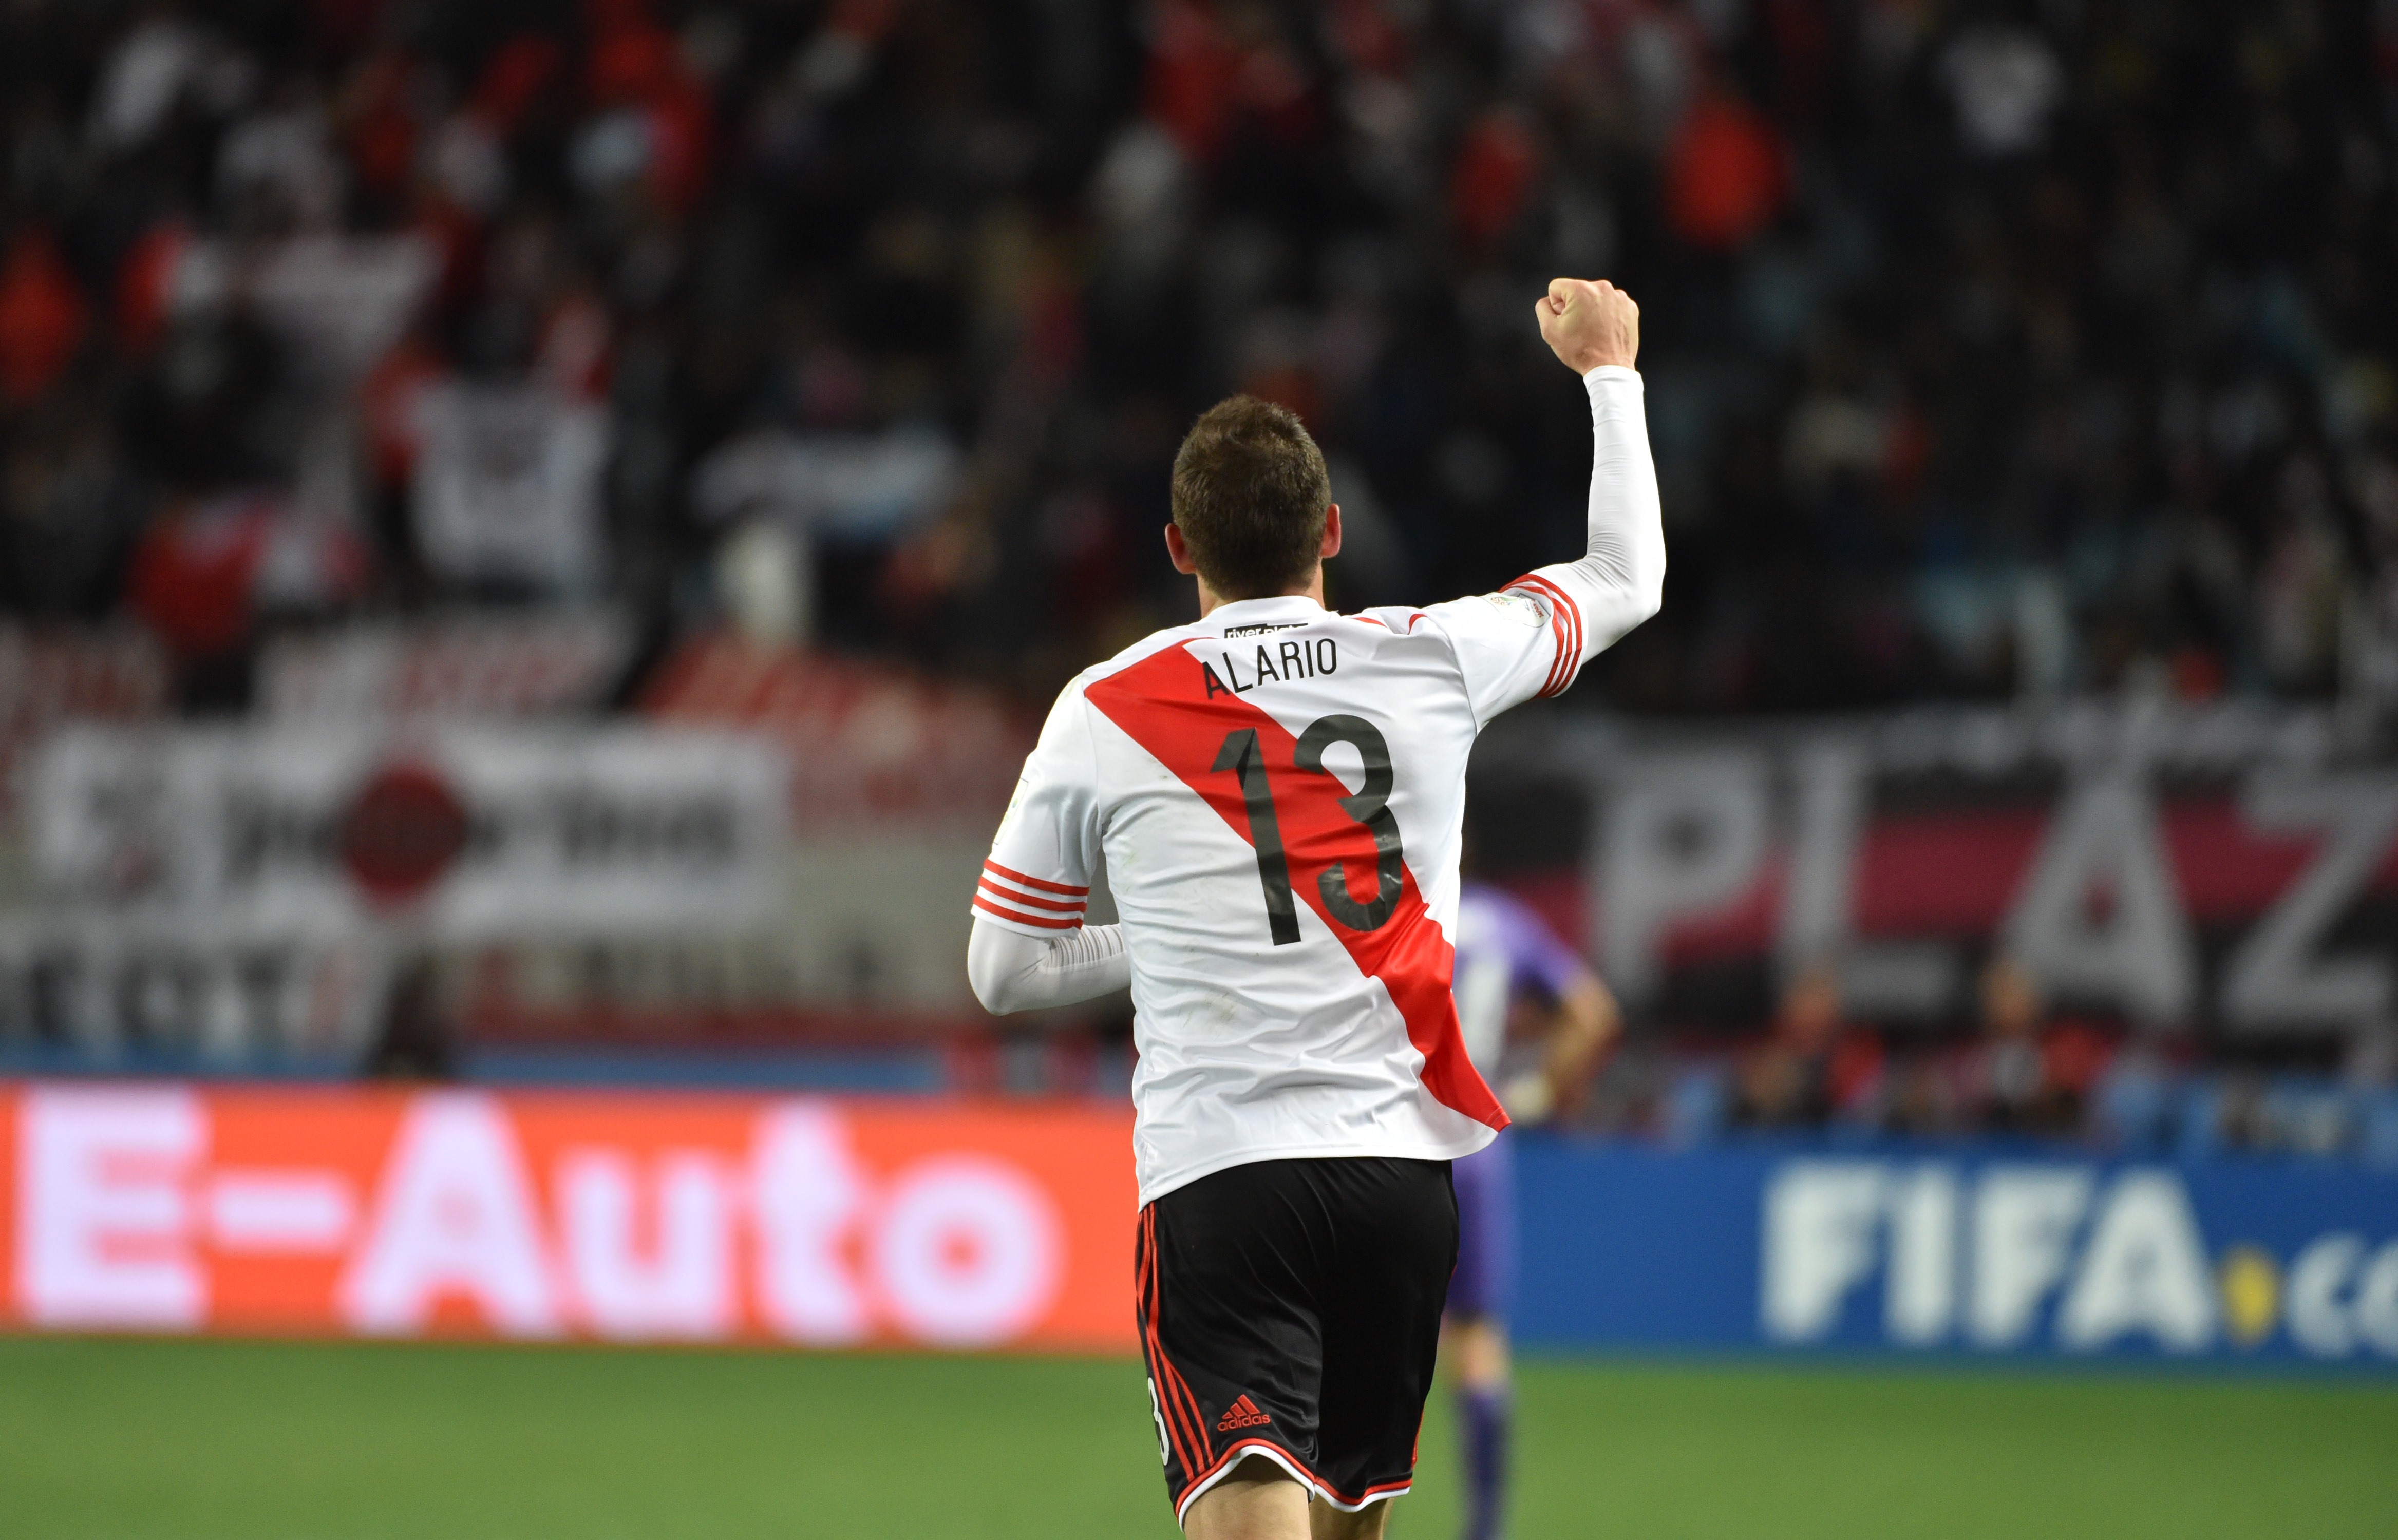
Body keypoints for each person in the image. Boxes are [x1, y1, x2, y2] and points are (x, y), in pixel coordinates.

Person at [965, 277, 1661, 1539]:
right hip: (1400, 1181)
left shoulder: (1105, 707)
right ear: (1332, 531)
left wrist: (1158, 933)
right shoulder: (1433, 654)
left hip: (1224, 1175)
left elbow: (1004, 969)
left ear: (1179, 548)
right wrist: (1609, 369)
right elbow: (1627, 576)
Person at [1445, 880, 1618, 1540]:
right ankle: (1485, 1528)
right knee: (1478, 1339)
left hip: (1397, 1136)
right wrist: (1539, 1090)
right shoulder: (1503, 921)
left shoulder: (1390, 903)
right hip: (1478, 1136)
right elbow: (1593, 1012)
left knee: (1383, 1348)